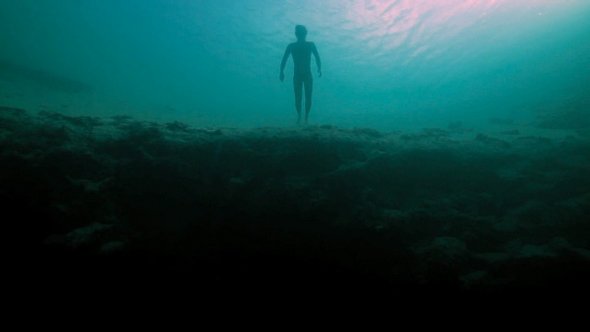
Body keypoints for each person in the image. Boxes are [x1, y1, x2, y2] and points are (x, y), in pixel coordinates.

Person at [280, 25, 322, 125]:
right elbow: (284, 59)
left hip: (304, 75)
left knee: (306, 97)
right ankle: (301, 117)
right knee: (300, 97)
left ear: (297, 34)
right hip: (300, 75)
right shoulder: (294, 46)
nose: (300, 34)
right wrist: (281, 71)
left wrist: (319, 68)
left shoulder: (306, 45)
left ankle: (305, 117)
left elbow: (317, 57)